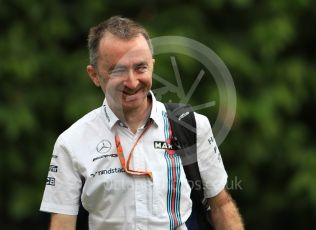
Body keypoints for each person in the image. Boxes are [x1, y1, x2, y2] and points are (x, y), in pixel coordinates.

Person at [40, 15, 244, 230]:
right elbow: (62, 224)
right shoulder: (71, 142)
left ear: (152, 66)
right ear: (94, 75)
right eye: (118, 70)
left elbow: (221, 205)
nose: (132, 81)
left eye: (140, 68)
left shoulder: (192, 126)